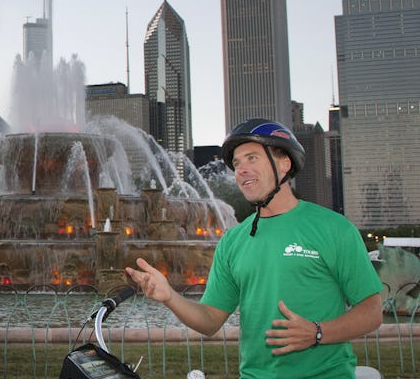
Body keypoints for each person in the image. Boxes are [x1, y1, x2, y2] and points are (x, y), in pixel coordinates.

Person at [125, 118, 383, 378]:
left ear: (284, 165)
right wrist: (169, 296)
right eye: (237, 164)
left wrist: (317, 332)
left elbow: (372, 311)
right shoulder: (233, 240)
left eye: (252, 158)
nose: (241, 170)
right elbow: (210, 319)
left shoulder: (333, 228)